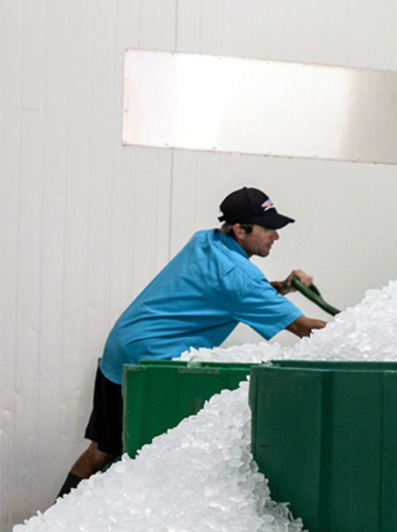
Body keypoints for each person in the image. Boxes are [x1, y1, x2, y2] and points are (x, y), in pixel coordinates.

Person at [57, 186, 327, 498]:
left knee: (103, 450)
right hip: (149, 363)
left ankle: (51, 520)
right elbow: (303, 327)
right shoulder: (239, 278)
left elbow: (231, 289)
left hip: (121, 347)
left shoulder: (206, 240)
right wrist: (360, 331)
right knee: (154, 458)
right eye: (269, 229)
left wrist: (282, 287)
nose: (276, 236)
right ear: (240, 229)